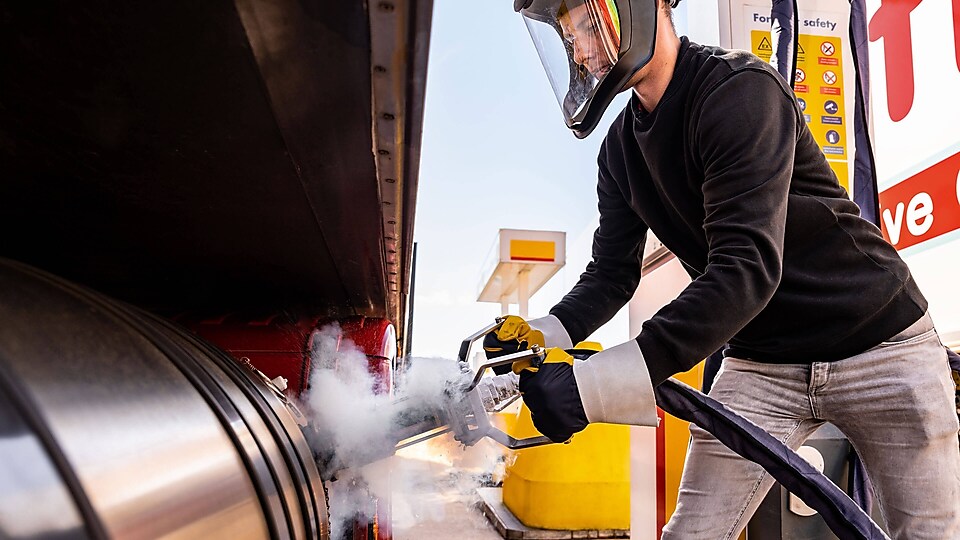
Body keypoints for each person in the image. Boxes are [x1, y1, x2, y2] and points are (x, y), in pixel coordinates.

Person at [485, 0, 960, 537]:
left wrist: (588, 387)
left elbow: (746, 269)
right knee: (693, 532)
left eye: (588, 26)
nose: (583, 51)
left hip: (881, 344)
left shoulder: (740, 92)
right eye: (570, 39)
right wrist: (540, 335)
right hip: (764, 365)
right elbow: (611, 276)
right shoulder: (619, 153)